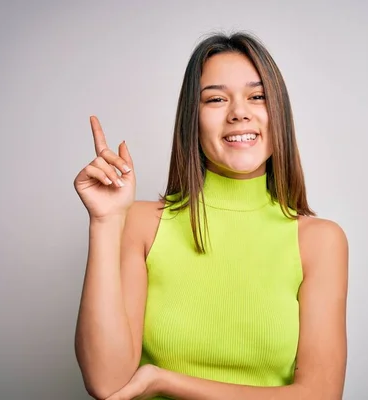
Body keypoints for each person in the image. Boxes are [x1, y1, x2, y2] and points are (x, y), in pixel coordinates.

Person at [73, 31, 349, 400]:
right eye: (216, 99)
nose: (238, 112)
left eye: (257, 96)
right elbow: (106, 382)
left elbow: (320, 394)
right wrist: (106, 222)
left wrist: (164, 380)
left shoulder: (320, 240)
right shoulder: (140, 224)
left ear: (278, 113)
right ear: (193, 118)